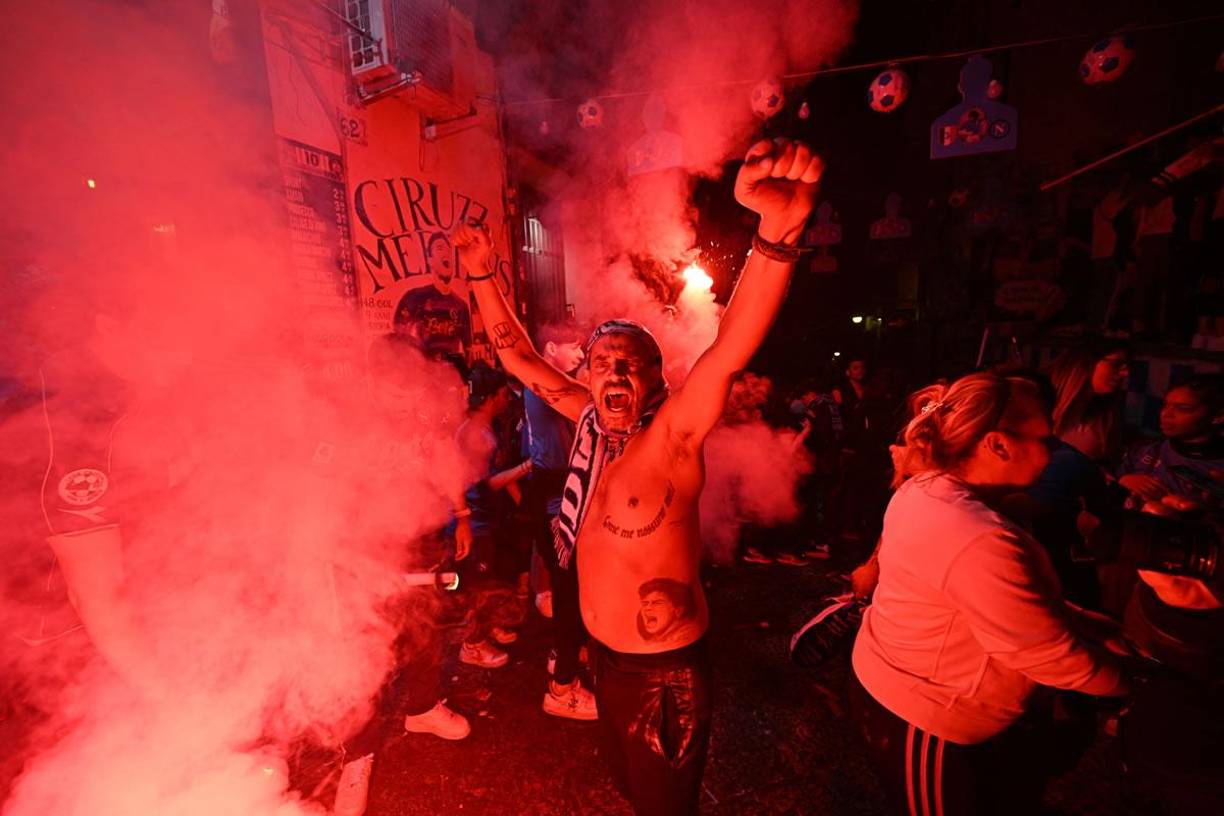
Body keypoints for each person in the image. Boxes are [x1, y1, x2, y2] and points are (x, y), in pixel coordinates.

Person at [455, 137, 825, 816]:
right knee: (630, 794)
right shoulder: (591, 423)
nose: (616, 375)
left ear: (656, 378)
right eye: (603, 364)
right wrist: (482, 277)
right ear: (588, 375)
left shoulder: (673, 437)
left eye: (632, 365)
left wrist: (777, 232)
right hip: (609, 664)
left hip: (666, 678)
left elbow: (731, 347)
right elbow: (521, 361)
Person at [850, 372, 1130, 816]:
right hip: (929, 716)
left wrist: (1081, 619)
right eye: (1045, 439)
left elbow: (990, 600)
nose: (1055, 451)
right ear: (998, 445)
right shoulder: (975, 534)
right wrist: (1129, 682)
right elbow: (1045, 654)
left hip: (901, 686)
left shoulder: (925, 487)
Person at [521, 322, 598, 720]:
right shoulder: (546, 387)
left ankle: (561, 653)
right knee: (568, 595)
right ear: (550, 349)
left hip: (553, 499)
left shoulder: (542, 388)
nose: (582, 355)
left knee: (573, 592)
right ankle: (562, 689)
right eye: (576, 347)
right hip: (555, 506)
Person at [453, 363, 532, 669]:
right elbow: (492, 481)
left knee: (491, 581)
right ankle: (471, 645)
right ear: (489, 398)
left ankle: (487, 627)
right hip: (475, 523)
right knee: (478, 588)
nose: (507, 399)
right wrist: (530, 466)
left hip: (488, 520)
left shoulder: (485, 426)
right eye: (502, 394)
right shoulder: (474, 433)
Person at [392, 232, 472, 361]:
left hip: (450, 374)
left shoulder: (461, 306)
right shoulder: (414, 297)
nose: (446, 253)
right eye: (440, 249)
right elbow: (398, 336)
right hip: (423, 375)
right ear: (430, 261)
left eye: (449, 250)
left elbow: (469, 351)